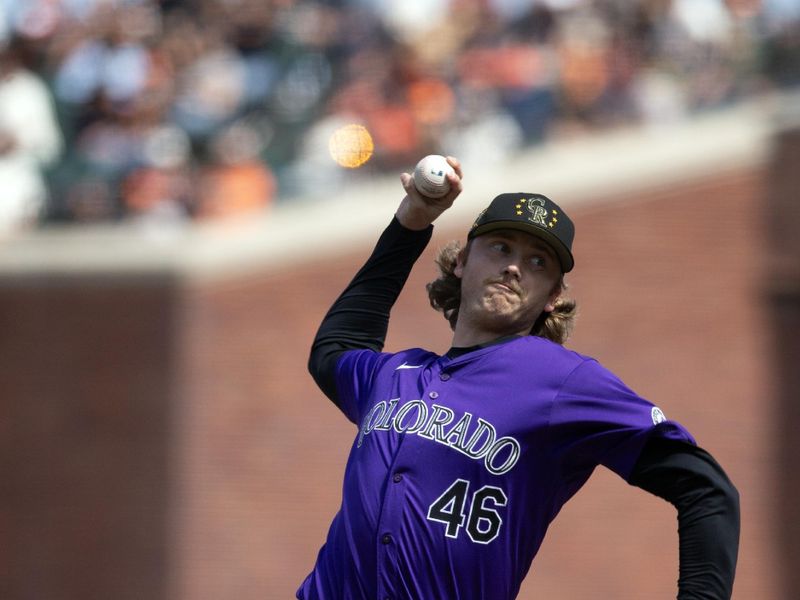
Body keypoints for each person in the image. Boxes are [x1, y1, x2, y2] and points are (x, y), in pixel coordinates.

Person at [300, 156, 740, 599]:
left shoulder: (561, 379)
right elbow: (335, 350)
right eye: (501, 247)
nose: (514, 267)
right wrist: (411, 223)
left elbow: (706, 489)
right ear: (462, 261)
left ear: (552, 297)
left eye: (537, 261)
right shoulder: (396, 375)